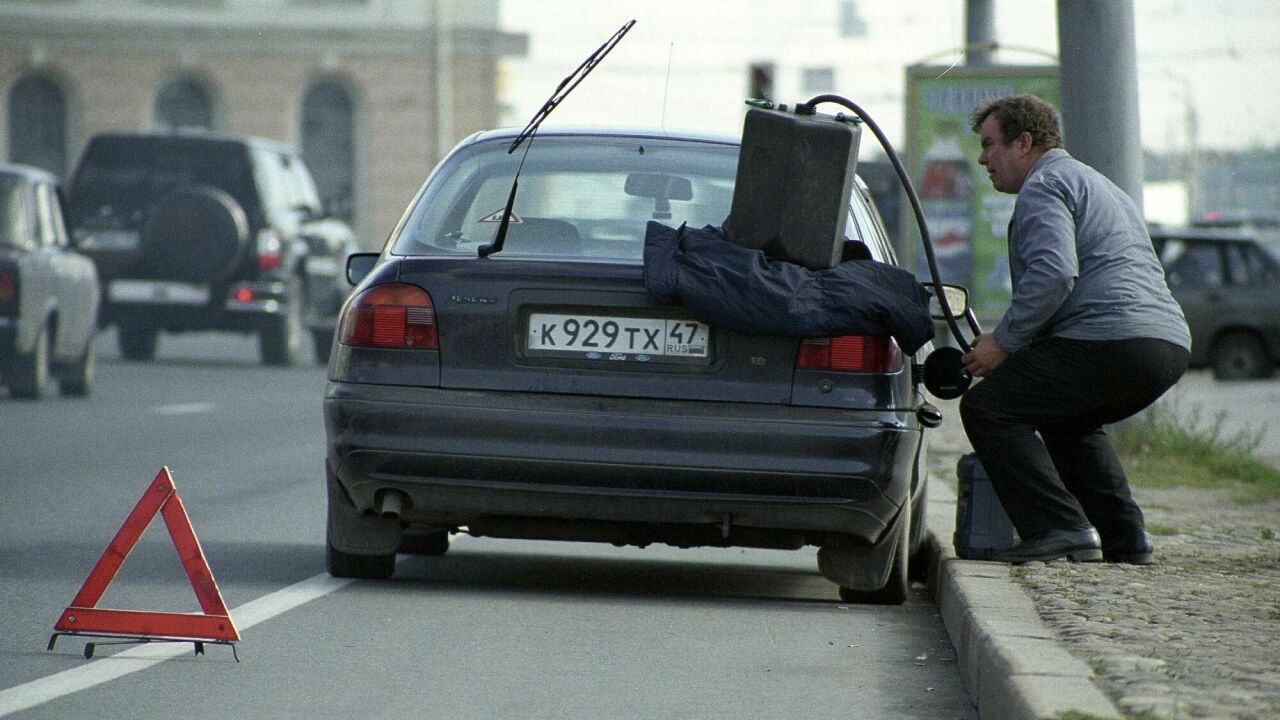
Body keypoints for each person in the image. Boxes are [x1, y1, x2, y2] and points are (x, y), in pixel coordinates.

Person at [959, 95, 1191, 564]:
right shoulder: (1096, 183)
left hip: (1112, 340)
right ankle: (1127, 541)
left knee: (988, 408)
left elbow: (1054, 272)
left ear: (1023, 142)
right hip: (1165, 345)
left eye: (989, 145)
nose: (983, 158)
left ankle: (1058, 527)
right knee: (1067, 418)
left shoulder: (1044, 186)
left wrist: (1003, 342)